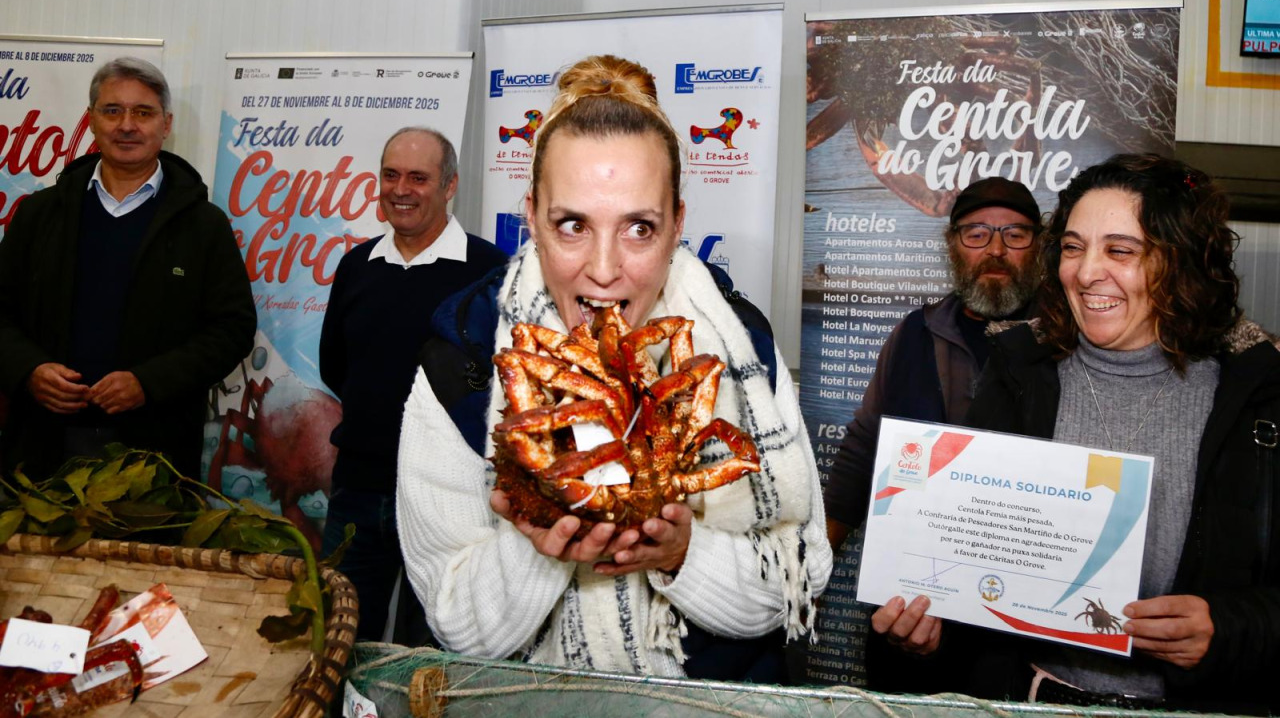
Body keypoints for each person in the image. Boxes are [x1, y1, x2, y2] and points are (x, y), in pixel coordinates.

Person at [396, 55, 832, 679]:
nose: (603, 270)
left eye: (639, 229)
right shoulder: (463, 356)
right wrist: (538, 551)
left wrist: (684, 554)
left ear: (678, 223)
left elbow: (800, 577)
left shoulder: (742, 350)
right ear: (532, 217)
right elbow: (452, 618)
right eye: (572, 224)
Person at [883, 154, 1280, 714]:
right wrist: (928, 629)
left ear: (1184, 261)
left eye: (1121, 250)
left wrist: (1234, 630)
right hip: (1030, 701)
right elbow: (975, 565)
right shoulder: (1020, 372)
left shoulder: (1258, 392)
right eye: (1073, 247)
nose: (1087, 271)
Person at [820, 177, 1041, 691]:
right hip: (912, 609)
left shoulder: (1066, 342)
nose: (996, 251)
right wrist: (814, 565)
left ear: (1041, 245)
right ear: (951, 245)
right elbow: (862, 452)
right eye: (977, 234)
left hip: (1020, 625)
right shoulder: (914, 333)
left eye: (1015, 235)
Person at [0, 57, 255, 481]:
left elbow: (232, 329)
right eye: (112, 110)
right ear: (92, 120)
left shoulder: (203, 225)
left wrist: (148, 383)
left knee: (141, 553)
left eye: (143, 112)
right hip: (43, 446)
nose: (127, 125)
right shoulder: (40, 215)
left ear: (166, 123)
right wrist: (29, 370)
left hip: (155, 452)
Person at [318, 127, 507, 642]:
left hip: (452, 499)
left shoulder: (491, 273)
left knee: (434, 654)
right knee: (336, 643)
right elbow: (336, 368)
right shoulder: (357, 266)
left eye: (418, 177)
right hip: (358, 492)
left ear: (449, 187)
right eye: (391, 175)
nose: (401, 189)